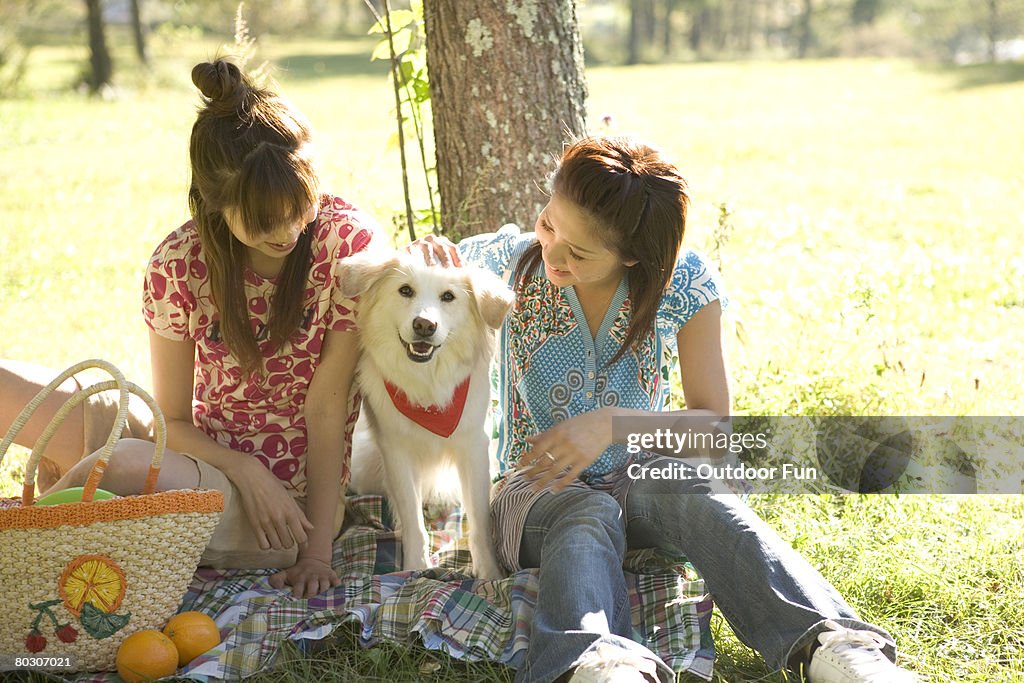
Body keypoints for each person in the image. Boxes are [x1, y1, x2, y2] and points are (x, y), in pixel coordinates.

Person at [414, 136, 918, 682]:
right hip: (533, 489)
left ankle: (832, 648)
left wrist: (611, 425)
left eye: (579, 252)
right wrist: (428, 257)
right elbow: (423, 275)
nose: (553, 252)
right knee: (587, 512)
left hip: (642, 477)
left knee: (696, 490)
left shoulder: (683, 282)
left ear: (633, 255)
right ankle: (595, 665)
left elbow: (713, 427)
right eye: (548, 223)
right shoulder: (504, 265)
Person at [0, 60, 378, 599]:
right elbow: (171, 420)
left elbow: (327, 406)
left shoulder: (344, 246)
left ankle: (17, 563)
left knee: (123, 462)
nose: (290, 230)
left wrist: (316, 551)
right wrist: (243, 466)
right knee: (21, 391)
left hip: (286, 510)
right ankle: (60, 512)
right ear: (215, 204)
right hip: (202, 456)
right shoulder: (178, 263)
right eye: (264, 219)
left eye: (299, 205)